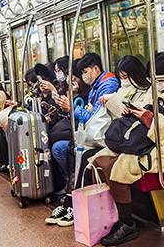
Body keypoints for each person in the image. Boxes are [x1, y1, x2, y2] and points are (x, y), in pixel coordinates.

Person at [92, 52, 164, 246]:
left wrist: (151, 120)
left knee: (121, 166)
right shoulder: (161, 89)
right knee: (100, 160)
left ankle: (127, 224)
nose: (154, 81)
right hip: (151, 140)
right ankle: (114, 216)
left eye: (157, 77)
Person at [46, 54, 119, 227]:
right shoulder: (95, 85)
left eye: (85, 72)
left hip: (104, 136)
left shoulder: (108, 84)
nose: (84, 76)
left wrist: (72, 108)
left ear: (96, 69)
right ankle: (71, 198)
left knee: (78, 153)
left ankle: (72, 201)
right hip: (92, 133)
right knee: (67, 148)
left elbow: (96, 118)